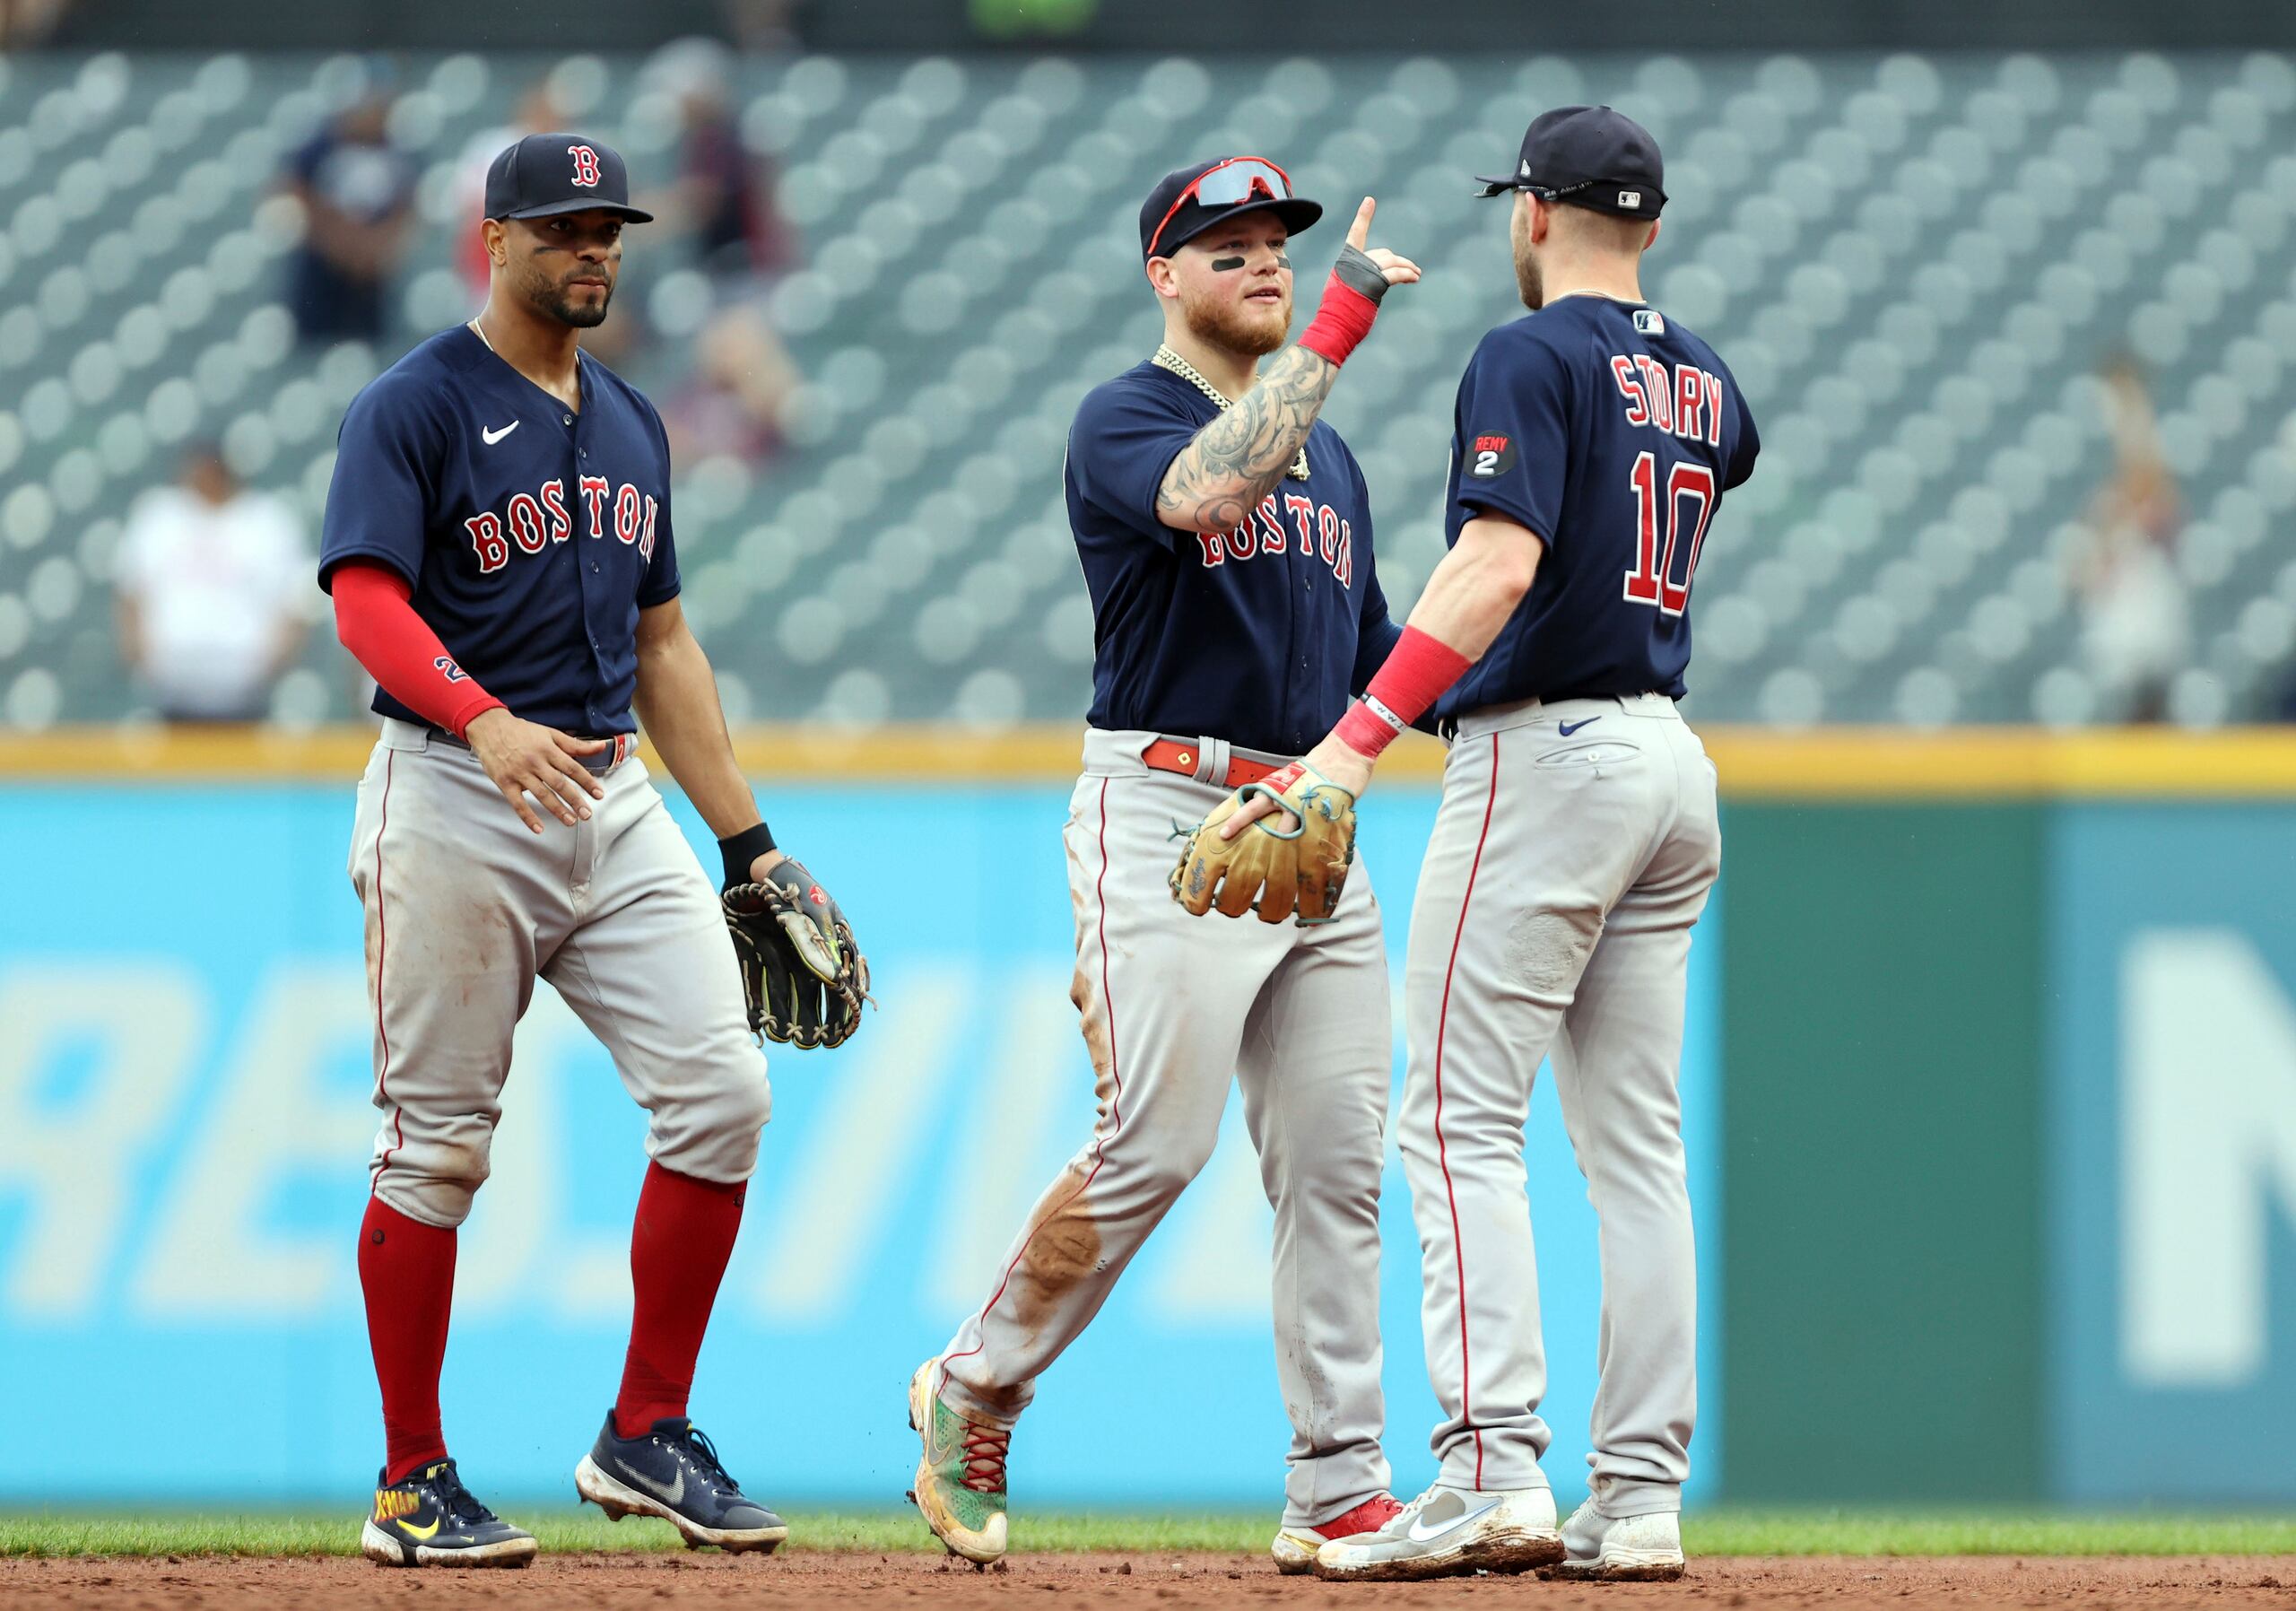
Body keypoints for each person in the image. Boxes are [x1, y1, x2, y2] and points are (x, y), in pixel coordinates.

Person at [1205, 108, 1758, 1583]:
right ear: (1649, 223)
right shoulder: (1702, 371)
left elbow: (1499, 561)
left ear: (1533, 213)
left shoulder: (1529, 352)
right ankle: (1638, 1498)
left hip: (1551, 753)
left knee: (1455, 1124)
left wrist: (1350, 744)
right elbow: (1716, 459)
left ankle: (1491, 1470)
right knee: (1636, 1147)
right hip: (1669, 758)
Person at [319, 132, 865, 1568]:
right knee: (438, 1149)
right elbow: (366, 603)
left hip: (613, 796)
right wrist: (484, 720)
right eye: (563, 226)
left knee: (724, 1095)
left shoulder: (632, 420)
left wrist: (747, 843)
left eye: (607, 225)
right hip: (452, 793)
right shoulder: (416, 404)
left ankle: (646, 1432)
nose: (594, 249)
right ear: (493, 239)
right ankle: (411, 1480)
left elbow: (664, 640)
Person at [904, 158, 1420, 1572]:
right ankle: (976, 1384)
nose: (1266, 262)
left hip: (1309, 828)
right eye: (1229, 244)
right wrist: (1340, 328)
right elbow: (1202, 494)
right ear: (1164, 274)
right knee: (1157, 1142)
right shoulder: (1124, 415)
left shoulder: (1338, 461)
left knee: (1336, 1164)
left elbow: (1380, 660)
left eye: (1278, 245)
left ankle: (1340, 1481)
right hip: (1166, 813)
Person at [114, 442, 310, 722]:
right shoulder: (159, 515)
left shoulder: (267, 520)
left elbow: (295, 601)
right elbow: (131, 593)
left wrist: (272, 664)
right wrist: (140, 656)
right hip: (170, 690)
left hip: (245, 693)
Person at [2071, 355, 2187, 723]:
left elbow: (2149, 486)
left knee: (2146, 716)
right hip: (2121, 625)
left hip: (2143, 623)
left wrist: (2132, 408)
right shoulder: (2110, 494)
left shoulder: (2147, 478)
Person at [283, 88, 417, 346]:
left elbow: (408, 208)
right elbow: (298, 196)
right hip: (322, 266)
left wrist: (374, 247)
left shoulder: (398, 153)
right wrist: (343, 245)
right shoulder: (320, 149)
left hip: (372, 270)